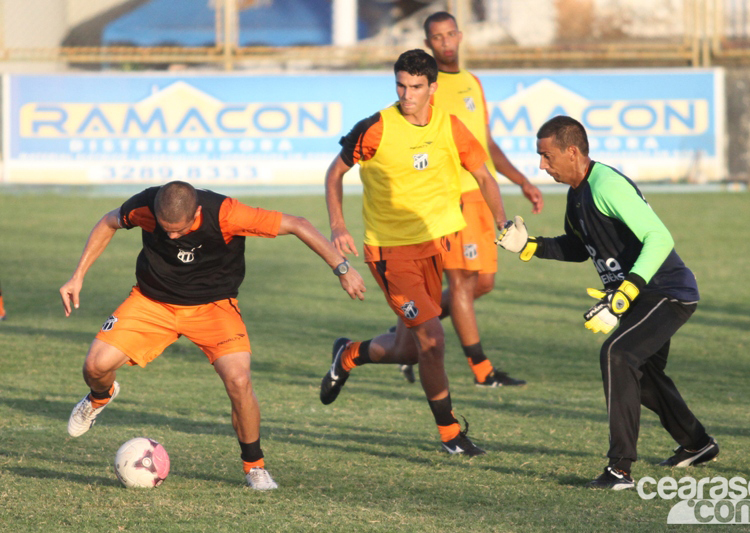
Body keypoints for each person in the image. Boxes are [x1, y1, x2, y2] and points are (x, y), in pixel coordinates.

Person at [60, 181, 366, 490]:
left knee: (239, 380)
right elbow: (109, 221)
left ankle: (254, 467)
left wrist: (342, 268)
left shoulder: (227, 214)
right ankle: (100, 397)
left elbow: (298, 224)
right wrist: (77, 276)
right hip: (152, 302)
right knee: (95, 367)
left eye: (179, 231)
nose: (172, 237)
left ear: (197, 212)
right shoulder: (145, 205)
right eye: (166, 230)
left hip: (213, 307)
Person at [497, 115, 718, 489]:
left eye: (546, 156)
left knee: (618, 355)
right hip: (637, 296)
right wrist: (530, 246)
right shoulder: (576, 194)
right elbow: (577, 246)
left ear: (572, 152)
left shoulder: (605, 185)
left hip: (667, 292)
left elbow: (659, 238)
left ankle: (620, 469)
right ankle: (696, 443)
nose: (541, 165)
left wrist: (625, 293)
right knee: (642, 375)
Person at [319, 49, 507, 456]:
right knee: (434, 340)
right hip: (390, 255)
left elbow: (482, 175)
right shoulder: (375, 129)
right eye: (401, 86)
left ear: (432, 88)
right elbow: (335, 172)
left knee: (410, 349)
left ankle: (349, 354)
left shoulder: (450, 126)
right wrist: (338, 224)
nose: (407, 94)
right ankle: (450, 434)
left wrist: (504, 223)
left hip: (435, 248)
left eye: (416, 87)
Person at [391, 11, 544, 387]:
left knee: (484, 282)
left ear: (459, 36)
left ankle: (407, 333)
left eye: (449, 35)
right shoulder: (428, 87)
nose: (444, 42)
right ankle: (482, 370)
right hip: (452, 196)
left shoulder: (472, 82)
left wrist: (521, 180)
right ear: (428, 43)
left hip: (479, 192)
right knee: (460, 281)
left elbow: (484, 141)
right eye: (436, 37)